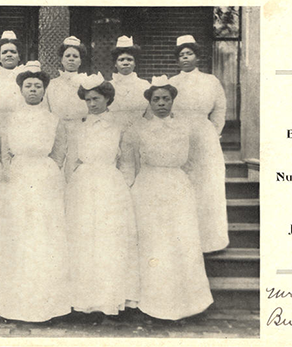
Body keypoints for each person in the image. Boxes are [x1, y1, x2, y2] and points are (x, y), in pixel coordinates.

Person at [121, 75, 213, 320]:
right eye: (156, 99)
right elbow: (129, 164)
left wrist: (189, 188)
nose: (161, 103)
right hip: (148, 187)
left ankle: (184, 303)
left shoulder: (186, 128)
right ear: (149, 102)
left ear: (173, 100)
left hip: (177, 187)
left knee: (179, 243)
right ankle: (150, 303)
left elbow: (194, 162)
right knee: (153, 243)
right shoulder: (137, 129)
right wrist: (128, 189)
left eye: (166, 98)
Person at [0, 61, 70, 323]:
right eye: (28, 86)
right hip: (19, 176)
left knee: (45, 235)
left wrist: (48, 170)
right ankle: (16, 302)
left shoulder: (53, 119)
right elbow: (4, 151)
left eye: (38, 86)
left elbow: (60, 151)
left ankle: (48, 303)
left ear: (45, 90)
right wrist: (13, 169)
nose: (33, 90)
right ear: (21, 89)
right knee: (19, 234)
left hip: (45, 177)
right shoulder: (10, 119)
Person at [65, 73, 138, 321]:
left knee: (108, 243)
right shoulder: (79, 127)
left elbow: (127, 164)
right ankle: (83, 303)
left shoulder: (119, 127)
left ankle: (109, 301)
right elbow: (73, 160)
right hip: (83, 186)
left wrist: (120, 188)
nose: (92, 104)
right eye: (88, 100)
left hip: (109, 186)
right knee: (84, 241)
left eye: (96, 99)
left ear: (108, 98)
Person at [169, 35, 229, 253]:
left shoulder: (210, 81)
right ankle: (184, 240)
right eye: (181, 55)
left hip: (205, 136)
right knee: (183, 185)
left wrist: (213, 131)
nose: (185, 58)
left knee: (207, 185)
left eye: (189, 54)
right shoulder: (172, 83)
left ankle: (210, 240)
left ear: (197, 57)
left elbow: (220, 108)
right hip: (179, 135)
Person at [46, 36, 88, 130]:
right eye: (67, 56)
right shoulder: (51, 85)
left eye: (75, 56)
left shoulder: (87, 83)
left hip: (81, 129)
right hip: (57, 130)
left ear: (80, 61)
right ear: (61, 60)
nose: (71, 59)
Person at [108, 36, 150, 128]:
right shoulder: (108, 86)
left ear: (135, 63)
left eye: (129, 59)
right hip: (113, 130)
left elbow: (149, 114)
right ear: (115, 64)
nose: (125, 62)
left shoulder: (144, 85)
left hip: (139, 130)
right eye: (121, 60)